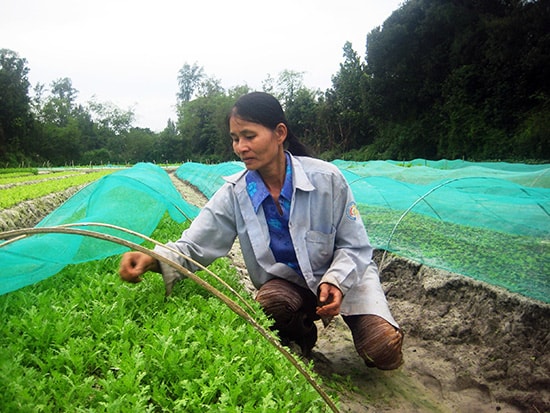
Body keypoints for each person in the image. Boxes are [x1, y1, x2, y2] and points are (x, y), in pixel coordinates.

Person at [119, 91, 403, 370]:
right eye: (235, 139)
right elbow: (194, 245)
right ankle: (302, 337)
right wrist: (151, 258)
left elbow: (355, 246)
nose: (240, 147)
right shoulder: (236, 193)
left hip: (347, 278)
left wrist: (337, 280)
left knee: (382, 350)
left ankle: (372, 327)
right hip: (291, 285)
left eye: (249, 136)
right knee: (272, 304)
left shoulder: (327, 180)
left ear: (279, 133)